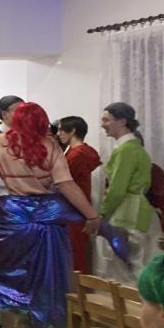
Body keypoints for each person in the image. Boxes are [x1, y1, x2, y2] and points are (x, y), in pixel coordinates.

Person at [0, 102, 100, 328]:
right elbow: (65, 183)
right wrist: (91, 214)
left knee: (10, 278)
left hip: (8, 220)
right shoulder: (51, 146)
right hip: (45, 221)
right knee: (42, 277)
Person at [99, 102, 156, 282]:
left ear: (122, 121)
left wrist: (101, 213)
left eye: (106, 120)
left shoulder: (127, 150)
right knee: (133, 263)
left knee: (126, 267)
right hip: (135, 209)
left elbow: (117, 189)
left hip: (128, 211)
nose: (102, 124)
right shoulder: (133, 148)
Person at [57, 116, 101, 274]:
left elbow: (64, 181)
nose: (59, 134)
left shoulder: (77, 155)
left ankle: (76, 286)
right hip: (78, 206)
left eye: (62, 130)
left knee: (74, 252)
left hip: (73, 206)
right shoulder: (82, 152)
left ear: (73, 131)